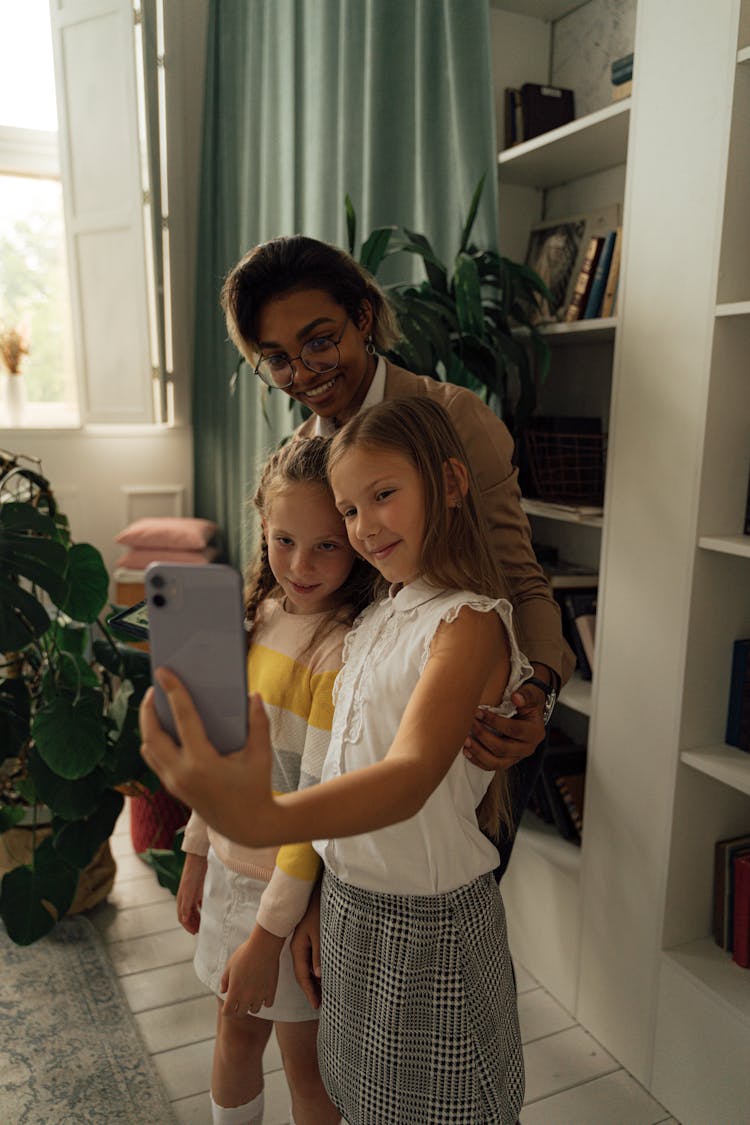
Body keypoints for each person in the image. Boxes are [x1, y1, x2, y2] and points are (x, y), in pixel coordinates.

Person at [141, 396, 537, 1124]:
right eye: (352, 510)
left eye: (382, 496)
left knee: (447, 1108)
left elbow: (408, 775)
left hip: (430, 927)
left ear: (449, 483)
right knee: (361, 1101)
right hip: (354, 911)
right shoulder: (381, 614)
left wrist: (264, 814)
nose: (366, 526)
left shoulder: (469, 622)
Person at [220, 234, 574, 876]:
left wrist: (537, 695)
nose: (304, 374)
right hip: (355, 731)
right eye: (278, 359)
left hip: (462, 735)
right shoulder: (299, 452)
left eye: (320, 341)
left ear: (362, 317)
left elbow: (522, 582)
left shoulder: (454, 420)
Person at [175, 436, 370, 1125]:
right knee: (232, 1034)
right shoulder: (258, 618)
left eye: (326, 545)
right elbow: (223, 754)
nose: (301, 564)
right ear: (263, 528)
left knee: (304, 1066)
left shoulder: (344, 649)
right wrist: (197, 852)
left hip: (288, 901)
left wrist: (267, 935)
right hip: (230, 875)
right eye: (285, 540)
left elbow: (315, 811)